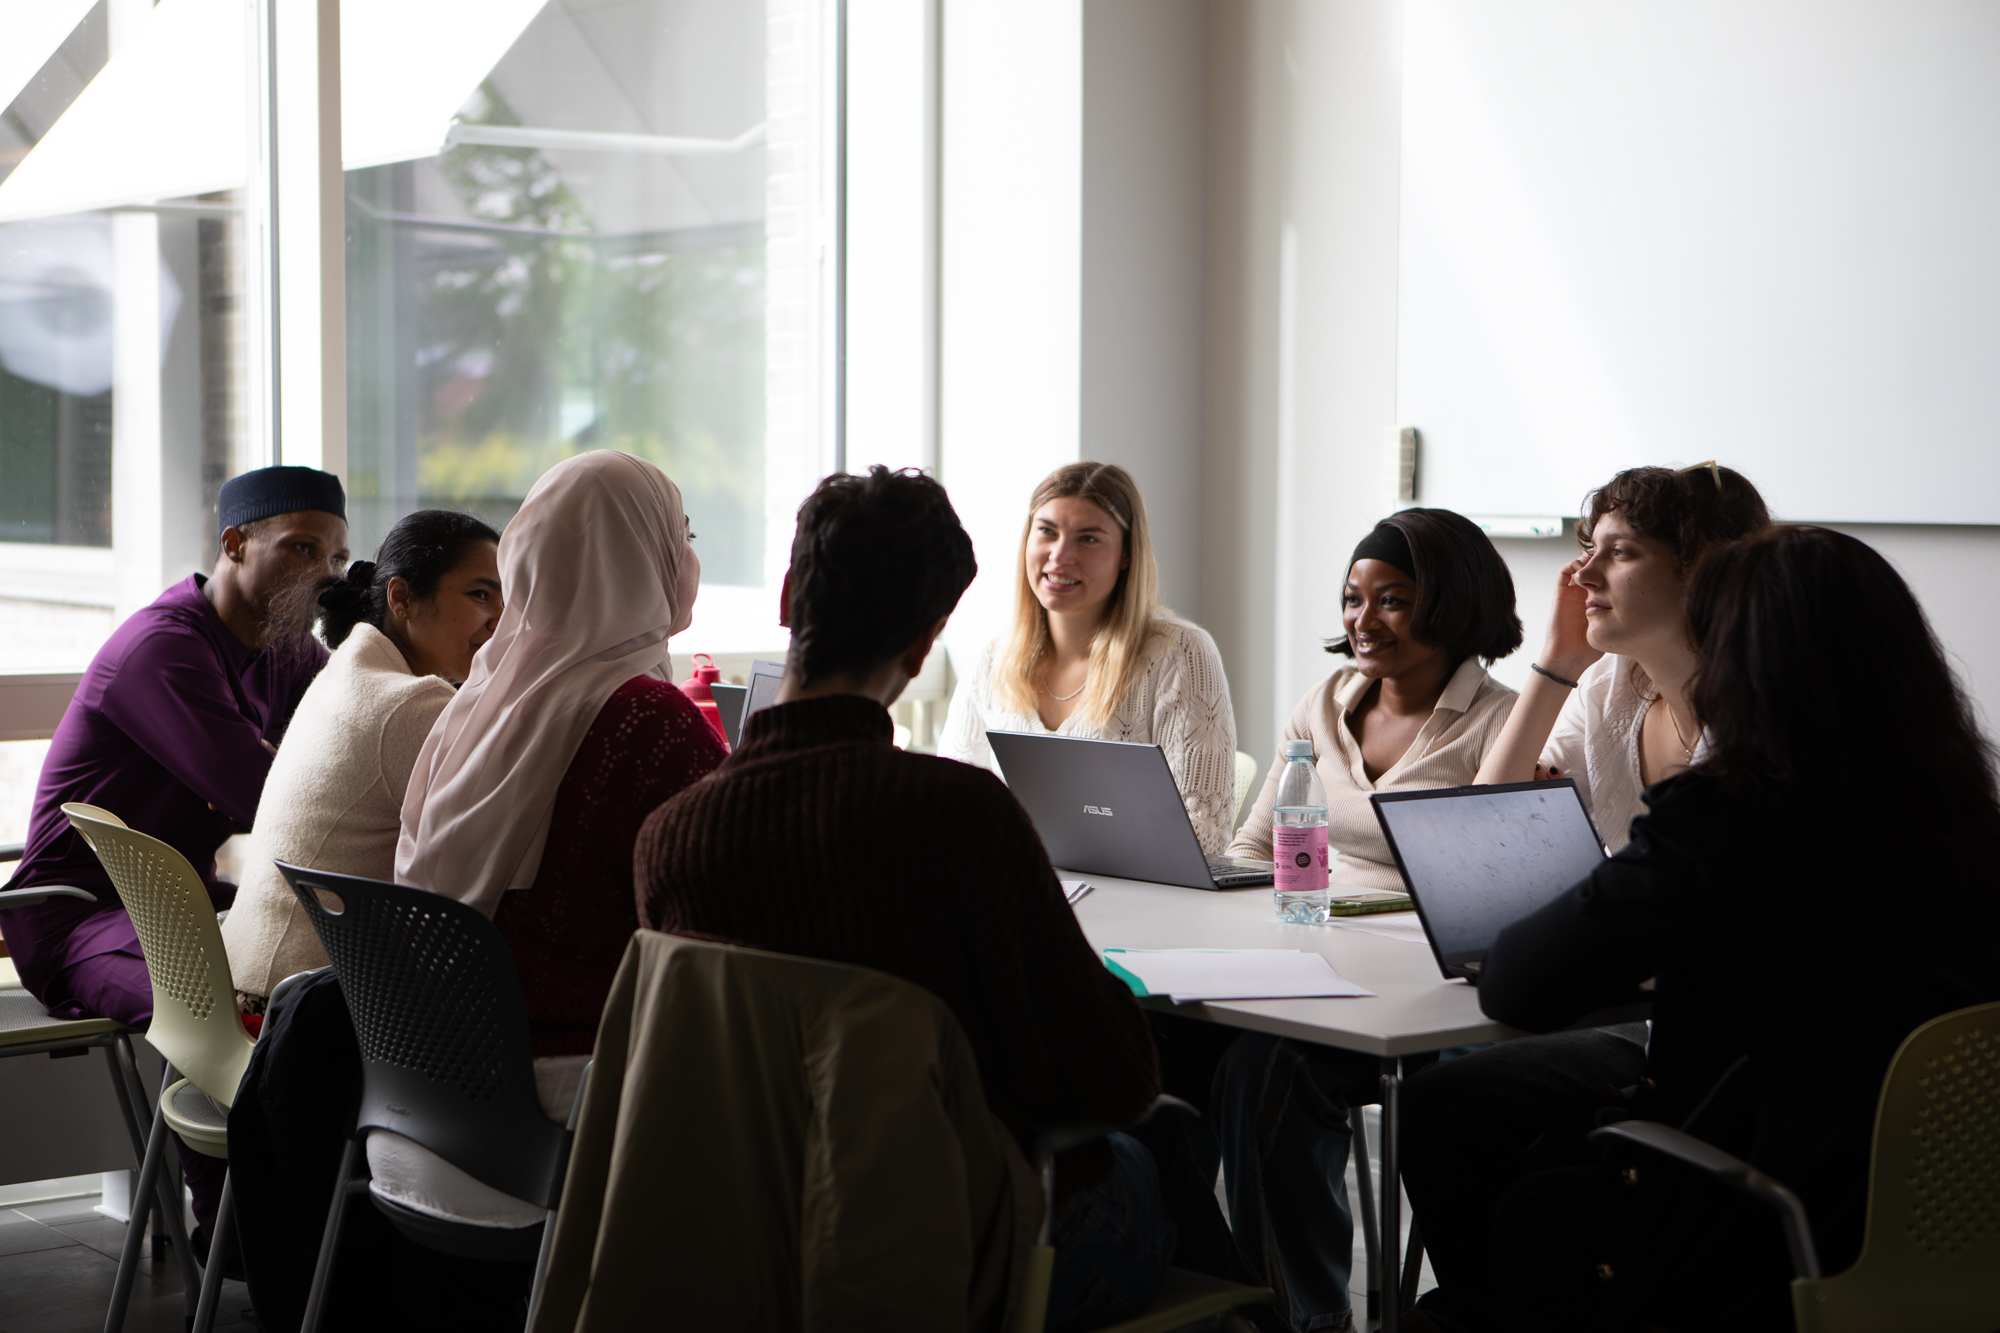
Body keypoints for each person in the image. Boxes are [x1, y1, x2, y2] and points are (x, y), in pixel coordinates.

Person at [1399, 526, 2000, 1333]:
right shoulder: (1963, 818)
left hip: (1752, 1226)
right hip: (1934, 1222)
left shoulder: (1725, 819)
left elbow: (1517, 981)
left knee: (1478, 1232)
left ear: (1747, 666)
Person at [637, 467, 1171, 1332]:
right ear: (925, 643)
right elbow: (1116, 1076)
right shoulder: (959, 819)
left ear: (785, 598)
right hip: (955, 1240)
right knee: (1169, 1153)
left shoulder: (671, 836)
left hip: (751, 1245)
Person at [1192, 508, 1523, 1333]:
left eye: (1393, 599)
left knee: (1264, 1070)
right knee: (1197, 1049)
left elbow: (1492, 877)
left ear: (1452, 602)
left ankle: (1295, 1319)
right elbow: (1255, 841)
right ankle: (1276, 1307)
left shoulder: (1501, 719)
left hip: (1424, 985)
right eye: (1352, 598)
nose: (1363, 621)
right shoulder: (1327, 701)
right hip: (1307, 957)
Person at [0, 464, 346, 1247]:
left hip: (186, 900)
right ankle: (237, 1236)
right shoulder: (165, 648)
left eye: (334, 557)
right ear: (234, 543)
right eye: (300, 549)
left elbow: (349, 733)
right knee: (230, 1007)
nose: (321, 575)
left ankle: (297, 1232)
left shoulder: (285, 650)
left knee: (313, 986)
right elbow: (268, 796)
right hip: (81, 918)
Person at [396, 450, 725, 1057]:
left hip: (431, 1082)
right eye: (682, 536)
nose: (690, 558)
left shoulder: (478, 702)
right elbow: (730, 900)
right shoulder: (647, 719)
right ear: (635, 553)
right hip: (563, 1094)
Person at [222, 510, 502, 1013]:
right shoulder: (411, 704)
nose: (499, 622)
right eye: (480, 595)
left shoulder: (351, 670)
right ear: (402, 598)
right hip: (293, 1023)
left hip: (241, 998)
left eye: (508, 600)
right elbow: (494, 851)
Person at [939, 461, 1239, 854]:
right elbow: (950, 809)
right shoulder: (993, 659)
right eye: (1046, 531)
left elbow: (1205, 836)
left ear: (1127, 555)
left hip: (1139, 907)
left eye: (1089, 539)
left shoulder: (1181, 654)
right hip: (1016, 896)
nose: (1060, 555)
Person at [1473, 462, 1770, 849]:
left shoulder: (1769, 714)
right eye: (1591, 550)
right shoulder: (1610, 685)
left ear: (1706, 569)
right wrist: (1558, 663)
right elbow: (1484, 822)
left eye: (1620, 552)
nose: (1583, 575)